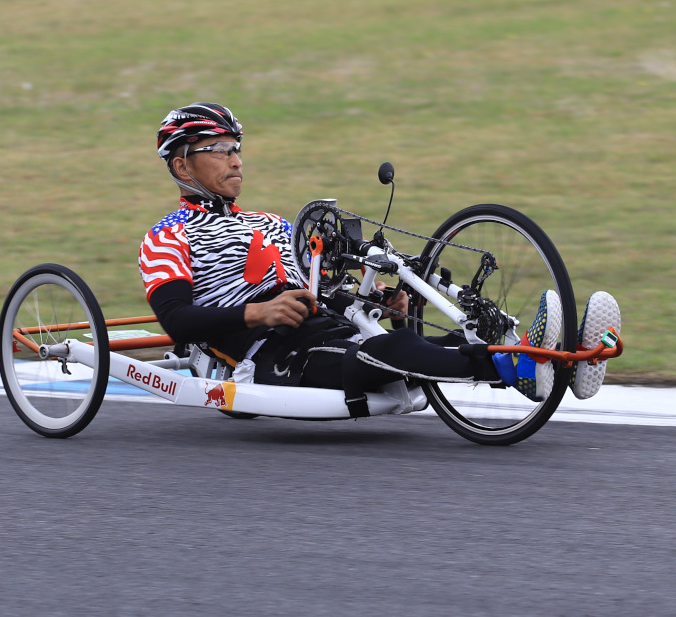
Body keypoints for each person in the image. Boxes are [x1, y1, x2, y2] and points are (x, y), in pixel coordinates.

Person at [138, 102, 619, 414]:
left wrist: (384, 299)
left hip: (323, 324)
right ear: (182, 164)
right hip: (271, 354)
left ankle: (565, 360)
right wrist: (260, 311)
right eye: (220, 150)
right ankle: (519, 369)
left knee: (440, 339)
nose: (236, 160)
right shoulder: (166, 236)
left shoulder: (269, 222)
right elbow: (177, 319)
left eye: (236, 148)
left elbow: (321, 282)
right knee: (386, 352)